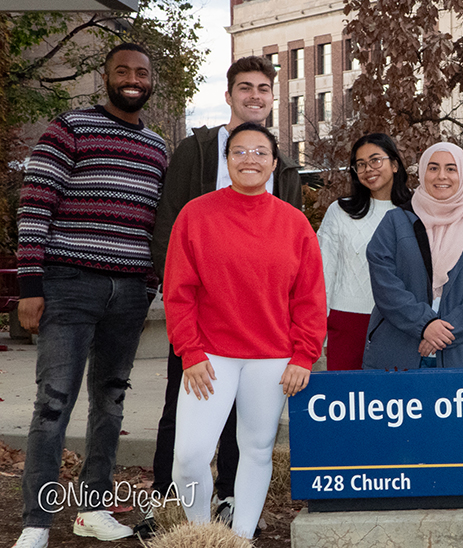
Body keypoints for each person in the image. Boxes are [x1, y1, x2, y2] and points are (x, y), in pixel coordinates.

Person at [13, 43, 169, 548]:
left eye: (140, 72)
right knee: (53, 404)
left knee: (111, 403)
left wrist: (148, 285)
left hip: (129, 293)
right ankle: (36, 522)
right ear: (105, 78)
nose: (131, 78)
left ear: (150, 82)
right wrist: (30, 286)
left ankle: (92, 509)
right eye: (121, 70)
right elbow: (35, 205)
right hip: (69, 285)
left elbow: (157, 226)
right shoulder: (70, 128)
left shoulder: (160, 148)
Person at [144, 55, 300, 535]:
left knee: (250, 442)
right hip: (202, 333)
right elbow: (170, 229)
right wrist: (185, 335)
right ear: (229, 94)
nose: (255, 96)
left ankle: (234, 516)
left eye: (263, 89)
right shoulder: (196, 152)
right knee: (184, 433)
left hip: (266, 343)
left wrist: (303, 349)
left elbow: (301, 280)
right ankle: (176, 513)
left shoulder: (288, 180)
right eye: (245, 87)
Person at [163, 122, 325, 540]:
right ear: (227, 159)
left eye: (259, 152)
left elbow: (309, 297)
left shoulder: (294, 224)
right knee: (190, 456)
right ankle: (203, 535)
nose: (249, 159)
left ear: (273, 163)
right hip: (210, 357)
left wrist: (304, 355)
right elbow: (179, 292)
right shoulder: (195, 216)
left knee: (255, 451)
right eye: (239, 151)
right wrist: (190, 352)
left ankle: (241, 537)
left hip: (271, 359)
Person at [363, 142, 463, 369]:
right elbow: (385, 284)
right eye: (433, 168)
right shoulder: (394, 223)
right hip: (398, 353)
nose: (442, 176)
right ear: (422, 172)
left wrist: (443, 332)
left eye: (451, 169)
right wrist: (425, 324)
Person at [317, 133, 411, 370]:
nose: (369, 169)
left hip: (401, 323)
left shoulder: (417, 212)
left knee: (393, 403)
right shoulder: (340, 211)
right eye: (361, 164)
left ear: (395, 164)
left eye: (376, 160)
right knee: (345, 402)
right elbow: (322, 274)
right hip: (347, 321)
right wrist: (320, 333)